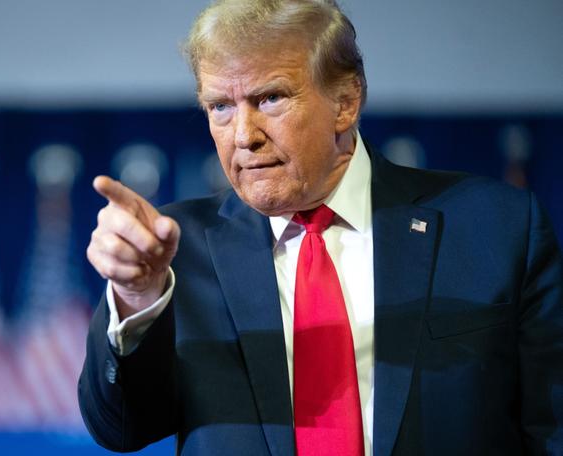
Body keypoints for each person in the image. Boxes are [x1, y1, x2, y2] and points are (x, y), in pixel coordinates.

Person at [78, 0, 563, 454]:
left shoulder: (496, 228)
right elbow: (122, 430)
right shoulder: (175, 252)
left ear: (346, 102)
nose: (244, 136)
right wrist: (138, 299)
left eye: (270, 98)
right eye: (220, 106)